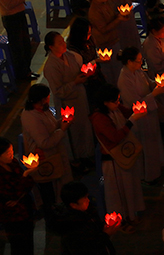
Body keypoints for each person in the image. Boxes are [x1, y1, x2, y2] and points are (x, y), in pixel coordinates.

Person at [90, 84, 146, 233]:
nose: (118, 104)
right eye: (114, 101)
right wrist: (132, 120)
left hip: (124, 155)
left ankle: (131, 214)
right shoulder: (99, 118)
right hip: (113, 160)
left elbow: (128, 112)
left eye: (118, 100)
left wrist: (137, 111)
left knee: (129, 187)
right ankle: (120, 221)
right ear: (104, 102)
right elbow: (114, 137)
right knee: (117, 193)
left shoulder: (115, 108)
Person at [21, 84, 73, 223]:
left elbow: (50, 126)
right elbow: (44, 142)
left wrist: (62, 122)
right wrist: (62, 130)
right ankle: (53, 219)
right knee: (49, 190)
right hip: (45, 159)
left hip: (55, 153)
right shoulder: (31, 117)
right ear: (43, 99)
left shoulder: (43, 111)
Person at [43, 31, 95, 168]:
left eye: (63, 41)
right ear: (51, 47)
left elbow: (78, 71)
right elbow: (58, 91)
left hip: (80, 97)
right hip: (68, 103)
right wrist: (75, 82)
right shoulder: (51, 66)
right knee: (74, 133)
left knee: (84, 128)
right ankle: (76, 159)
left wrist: (85, 73)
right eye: (59, 43)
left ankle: (87, 154)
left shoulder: (69, 56)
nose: (63, 44)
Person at [117, 46, 164, 183]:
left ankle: (156, 168)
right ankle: (148, 174)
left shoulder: (138, 71)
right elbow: (135, 103)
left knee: (153, 142)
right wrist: (155, 93)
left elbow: (148, 81)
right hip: (139, 117)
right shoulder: (124, 79)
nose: (141, 63)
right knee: (145, 145)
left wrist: (156, 84)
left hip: (150, 113)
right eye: (138, 61)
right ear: (129, 62)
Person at [57, 181, 119, 255]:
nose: (88, 200)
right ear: (73, 205)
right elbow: (88, 249)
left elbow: (95, 226)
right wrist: (106, 234)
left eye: (87, 196)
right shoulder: (70, 226)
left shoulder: (87, 210)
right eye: (84, 198)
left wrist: (106, 225)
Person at [0, 137, 35, 255]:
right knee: (18, 247)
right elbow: (10, 194)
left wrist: (18, 197)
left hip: (26, 211)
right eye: (8, 153)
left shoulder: (13, 163)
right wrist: (25, 175)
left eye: (12, 151)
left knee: (29, 243)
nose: (11, 155)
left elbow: (28, 184)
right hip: (12, 217)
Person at [67, 17, 107, 112]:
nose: (90, 35)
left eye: (90, 32)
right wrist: (96, 61)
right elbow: (80, 68)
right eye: (87, 33)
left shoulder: (90, 40)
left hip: (97, 76)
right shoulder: (73, 50)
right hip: (87, 83)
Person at [88, 0, 128, 85]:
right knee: (110, 71)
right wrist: (119, 19)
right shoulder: (94, 11)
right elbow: (103, 29)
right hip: (105, 43)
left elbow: (112, 17)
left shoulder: (105, 3)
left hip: (114, 39)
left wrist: (120, 15)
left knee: (118, 67)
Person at [0, 0, 39, 80]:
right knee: (18, 47)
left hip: (19, 13)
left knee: (26, 44)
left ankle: (27, 71)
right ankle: (21, 74)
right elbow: (8, 5)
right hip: (11, 18)